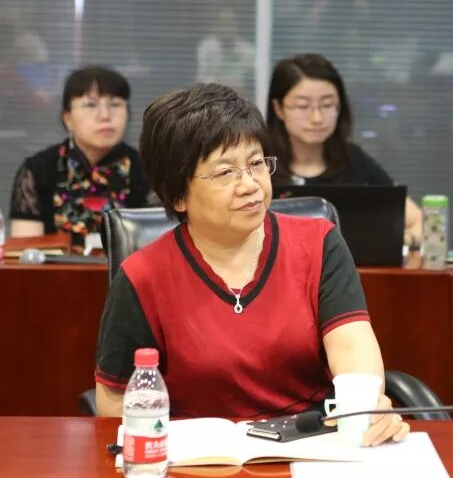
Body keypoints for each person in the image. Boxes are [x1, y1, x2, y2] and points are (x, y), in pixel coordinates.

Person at [93, 83, 409, 445]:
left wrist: (365, 407)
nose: (250, 185)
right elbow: (116, 399)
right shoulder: (142, 276)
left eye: (256, 164)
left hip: (310, 446)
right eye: (225, 172)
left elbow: (352, 349)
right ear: (177, 195)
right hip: (198, 458)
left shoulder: (318, 244)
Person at [266, 54, 422, 244]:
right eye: (303, 106)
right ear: (279, 109)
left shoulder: (353, 159)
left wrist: (400, 242)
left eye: (327, 105)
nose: (317, 118)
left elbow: (418, 220)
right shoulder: (260, 164)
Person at [8, 66, 147, 243]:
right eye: (90, 105)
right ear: (67, 118)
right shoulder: (36, 170)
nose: (105, 115)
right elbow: (26, 253)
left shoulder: (149, 171)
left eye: (115, 104)